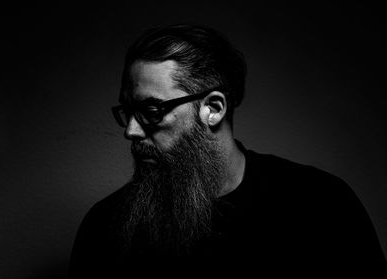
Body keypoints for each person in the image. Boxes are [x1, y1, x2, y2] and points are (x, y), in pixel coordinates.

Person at [69, 24, 386, 277]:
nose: (131, 131)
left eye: (152, 111)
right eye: (128, 111)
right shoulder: (106, 226)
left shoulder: (321, 204)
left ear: (214, 108)